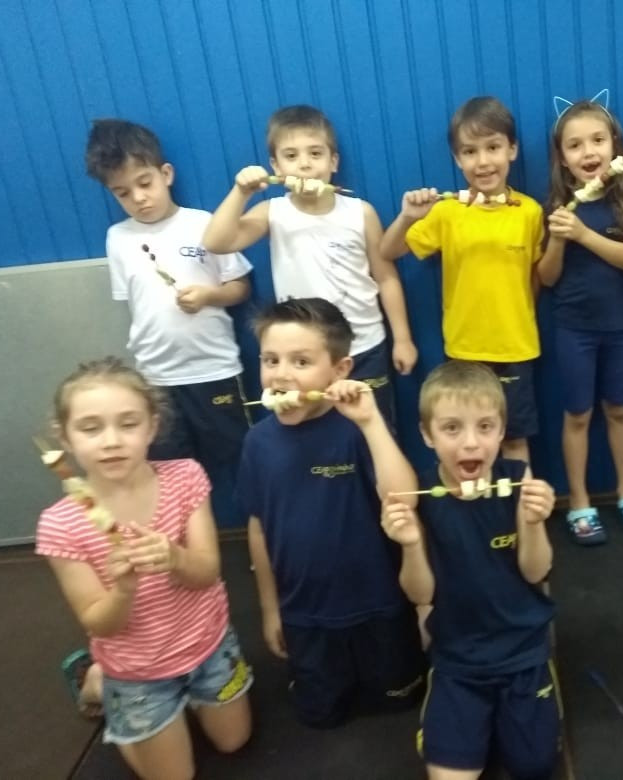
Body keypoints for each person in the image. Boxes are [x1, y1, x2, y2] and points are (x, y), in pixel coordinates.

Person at [36, 357, 252, 780]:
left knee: (234, 742)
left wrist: (175, 557)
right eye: (91, 428)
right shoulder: (61, 525)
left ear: (152, 427)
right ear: (65, 438)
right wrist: (123, 590)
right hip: (137, 674)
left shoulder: (185, 477)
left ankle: (128, 690)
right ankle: (100, 683)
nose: (111, 441)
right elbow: (100, 622)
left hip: (208, 645)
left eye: (128, 424)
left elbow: (207, 572)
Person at [237, 298, 425, 727]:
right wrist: (270, 608)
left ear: (340, 370)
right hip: (305, 614)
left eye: (301, 361)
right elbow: (258, 528)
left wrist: (371, 422)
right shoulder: (257, 443)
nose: (281, 374)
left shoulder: (358, 429)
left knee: (398, 707)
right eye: (270, 360)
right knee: (321, 718)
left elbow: (405, 499)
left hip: (379, 607)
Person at [382, 361, 560, 780]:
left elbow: (536, 572)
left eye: (485, 427)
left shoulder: (518, 479)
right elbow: (420, 594)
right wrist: (410, 545)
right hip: (458, 659)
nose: (470, 443)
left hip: (522, 653)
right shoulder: (423, 495)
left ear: (501, 431)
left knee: (534, 768)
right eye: (451, 428)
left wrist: (534, 523)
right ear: (427, 435)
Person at [203, 104, 416, 430]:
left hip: (365, 347)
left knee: (374, 432)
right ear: (276, 166)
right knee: (316, 437)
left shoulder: (361, 212)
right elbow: (216, 242)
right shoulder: (272, 212)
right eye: (291, 156)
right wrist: (241, 192)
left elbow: (386, 277)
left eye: (315, 153)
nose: (305, 164)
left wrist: (402, 339)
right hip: (303, 358)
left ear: (333, 161)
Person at [85, 119, 253, 528]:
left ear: (166, 174)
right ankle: (177, 544)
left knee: (242, 463)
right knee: (166, 473)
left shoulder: (203, 223)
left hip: (214, 370)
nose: (138, 198)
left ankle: (261, 539)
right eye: (122, 192)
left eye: (145, 183)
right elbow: (135, 306)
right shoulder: (117, 238)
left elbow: (240, 288)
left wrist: (209, 296)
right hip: (156, 378)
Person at [379, 97, 544, 463]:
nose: (482, 161)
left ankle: (520, 502)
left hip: (516, 349)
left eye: (493, 147)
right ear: (457, 159)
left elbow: (535, 278)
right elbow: (388, 250)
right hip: (464, 351)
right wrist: (408, 217)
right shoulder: (446, 211)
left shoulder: (530, 212)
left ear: (512, 150)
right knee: (466, 446)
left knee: (514, 440)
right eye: (470, 151)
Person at [537, 97, 623, 545]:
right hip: (574, 329)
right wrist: (558, 238)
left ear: (615, 146)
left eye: (597, 140)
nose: (588, 152)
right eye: (575, 145)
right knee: (577, 415)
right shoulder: (555, 207)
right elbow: (547, 278)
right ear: (562, 158)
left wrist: (583, 235)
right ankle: (580, 501)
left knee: (619, 410)